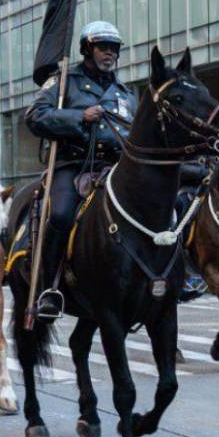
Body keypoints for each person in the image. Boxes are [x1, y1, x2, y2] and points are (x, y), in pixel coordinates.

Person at [25, 20, 137, 319]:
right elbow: (35, 116)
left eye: (114, 49)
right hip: (73, 166)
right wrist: (79, 116)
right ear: (87, 49)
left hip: (115, 168)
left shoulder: (125, 93)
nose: (109, 54)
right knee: (61, 214)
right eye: (103, 47)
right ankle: (49, 288)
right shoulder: (64, 81)